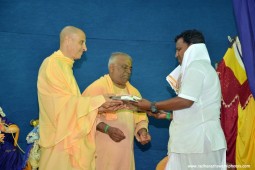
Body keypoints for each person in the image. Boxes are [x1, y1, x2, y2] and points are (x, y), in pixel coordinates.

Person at [133, 29, 227, 170]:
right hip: (195, 143)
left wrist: (153, 106)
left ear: (192, 48)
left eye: (179, 49)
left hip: (199, 144)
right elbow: (197, 109)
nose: (176, 54)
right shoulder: (202, 67)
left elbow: (186, 101)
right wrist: (168, 115)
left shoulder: (196, 67)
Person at [37, 26, 125, 170]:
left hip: (67, 141)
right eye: (81, 42)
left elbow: (72, 104)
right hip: (59, 142)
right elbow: (58, 105)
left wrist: (101, 106)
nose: (85, 48)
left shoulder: (64, 66)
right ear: (68, 40)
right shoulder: (52, 64)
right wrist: (99, 100)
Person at [82, 52, 151, 170]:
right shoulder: (96, 88)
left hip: (125, 155)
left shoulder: (134, 92)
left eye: (130, 68)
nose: (129, 71)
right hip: (101, 154)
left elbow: (141, 118)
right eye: (124, 67)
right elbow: (84, 116)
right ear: (112, 68)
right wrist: (108, 129)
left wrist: (142, 131)